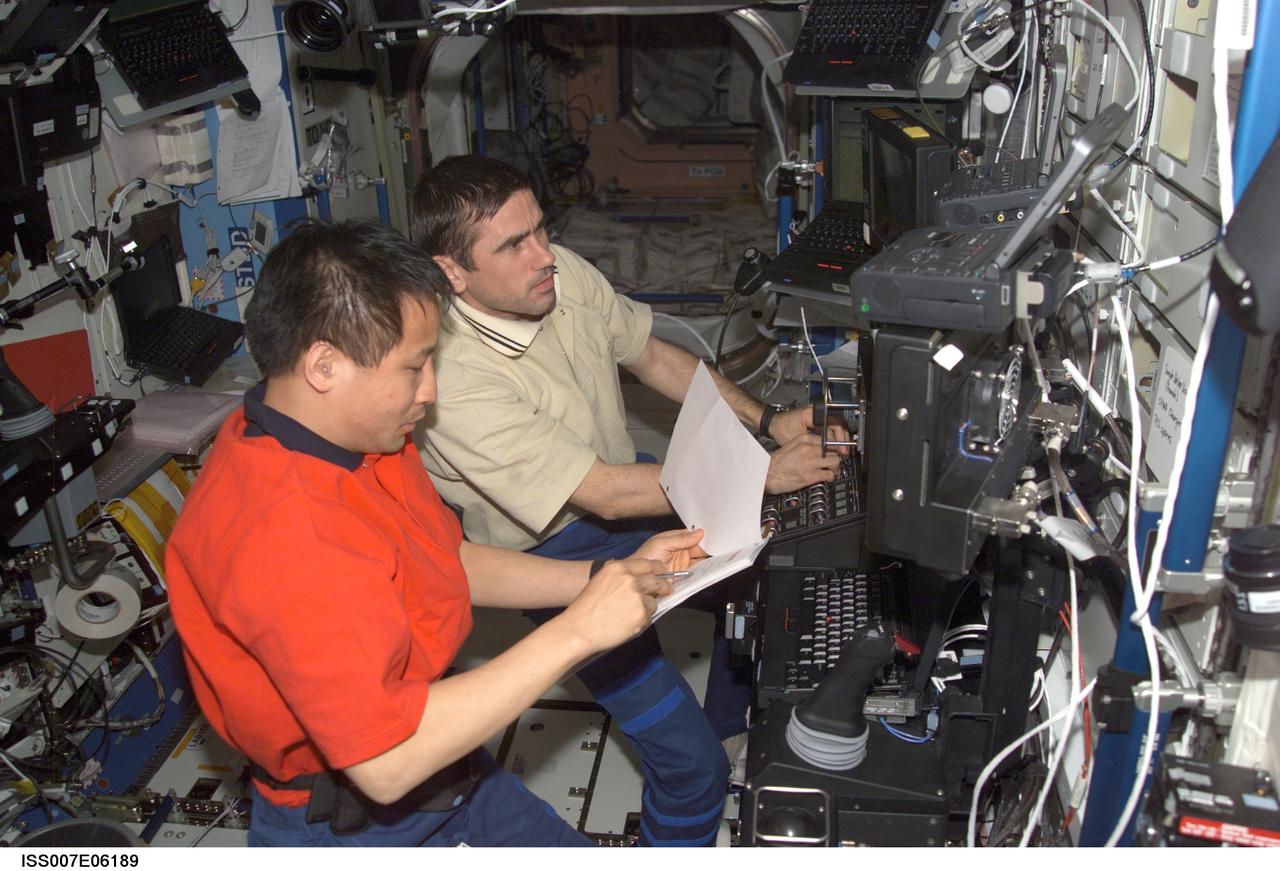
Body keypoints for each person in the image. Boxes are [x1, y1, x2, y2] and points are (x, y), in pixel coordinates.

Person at [164, 219, 705, 847]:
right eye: (414, 366)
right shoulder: (288, 536)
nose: (431, 390)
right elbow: (387, 763)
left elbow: (443, 559)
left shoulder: (347, 433)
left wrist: (604, 579)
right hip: (360, 815)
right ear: (323, 365)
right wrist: (580, 629)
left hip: (445, 758)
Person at [409, 155, 850, 847]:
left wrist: (765, 422)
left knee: (771, 561)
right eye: (513, 245)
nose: (543, 255)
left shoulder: (557, 273)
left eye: (541, 230)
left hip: (629, 480)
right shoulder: (456, 376)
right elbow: (608, 498)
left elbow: (651, 354)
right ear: (452, 273)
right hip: (553, 547)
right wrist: (762, 469)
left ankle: (731, 724)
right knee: (691, 770)